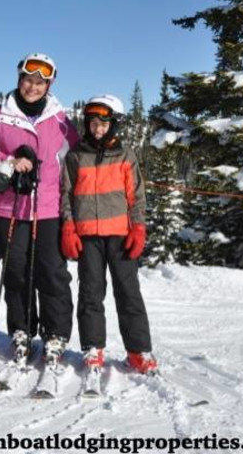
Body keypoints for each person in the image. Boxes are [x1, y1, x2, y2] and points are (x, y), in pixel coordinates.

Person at [0, 53, 79, 366]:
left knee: (51, 272)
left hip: (47, 207)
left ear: (49, 85)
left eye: (40, 82)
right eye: (27, 79)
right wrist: (9, 162)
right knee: (16, 272)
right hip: (9, 207)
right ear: (19, 79)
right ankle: (21, 330)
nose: (32, 86)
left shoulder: (59, 118)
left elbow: (74, 158)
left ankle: (56, 333)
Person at [60, 94, 157, 375]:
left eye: (103, 123)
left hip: (120, 235)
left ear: (114, 125)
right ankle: (93, 348)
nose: (97, 129)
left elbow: (136, 196)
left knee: (129, 294)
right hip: (88, 236)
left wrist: (138, 227)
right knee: (90, 293)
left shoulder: (126, 155)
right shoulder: (76, 156)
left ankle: (138, 351)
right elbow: (65, 195)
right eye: (92, 123)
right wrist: (68, 226)